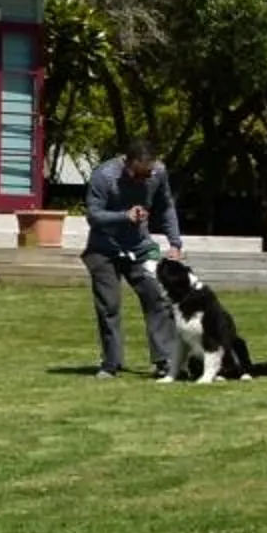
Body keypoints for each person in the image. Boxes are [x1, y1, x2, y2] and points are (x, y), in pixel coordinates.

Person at [83, 142, 185, 379]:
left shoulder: (158, 172)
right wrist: (124, 216)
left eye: (148, 173)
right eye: (140, 174)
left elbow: (167, 206)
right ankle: (111, 363)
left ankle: (165, 359)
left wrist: (175, 243)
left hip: (140, 247)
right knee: (109, 305)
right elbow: (93, 215)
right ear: (127, 164)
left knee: (157, 296)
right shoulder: (104, 176)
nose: (145, 178)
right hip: (104, 248)